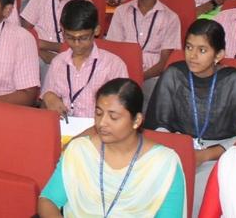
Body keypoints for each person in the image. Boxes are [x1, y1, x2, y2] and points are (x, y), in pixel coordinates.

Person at [37, 78, 187, 217]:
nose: (102, 123)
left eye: (113, 117)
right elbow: (48, 200)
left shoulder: (164, 163)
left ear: (137, 120)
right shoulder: (79, 150)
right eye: (98, 113)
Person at [145, 19, 236, 213]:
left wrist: (206, 154)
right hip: (175, 150)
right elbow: (159, 124)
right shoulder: (174, 74)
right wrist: (178, 149)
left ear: (218, 55)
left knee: (204, 191)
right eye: (188, 47)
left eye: (202, 50)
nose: (192, 56)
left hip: (220, 155)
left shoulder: (233, 82)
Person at [40, 0, 129, 120]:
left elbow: (123, 112)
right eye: (70, 37)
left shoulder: (114, 65)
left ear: (96, 30)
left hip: (100, 130)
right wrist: (49, 97)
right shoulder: (58, 62)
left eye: (83, 38)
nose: (76, 44)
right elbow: (45, 104)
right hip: (65, 127)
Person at [105, 0, 181, 84]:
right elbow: (113, 51)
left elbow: (164, 63)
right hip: (122, 73)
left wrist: (139, 78)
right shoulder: (121, 12)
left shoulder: (170, 18)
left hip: (153, 76)